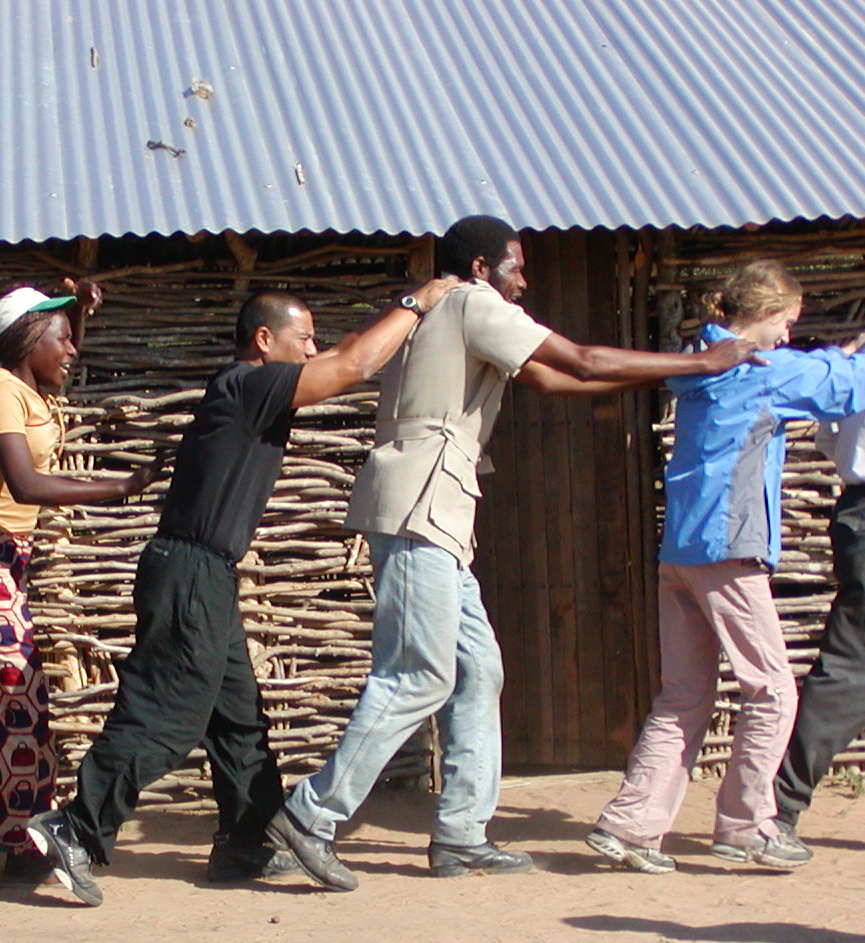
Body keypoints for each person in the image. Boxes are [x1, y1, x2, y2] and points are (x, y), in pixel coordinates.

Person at [270, 215, 760, 891]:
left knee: (478, 670)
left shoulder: (449, 310)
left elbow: (554, 381)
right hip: (418, 507)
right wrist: (704, 363)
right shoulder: (475, 304)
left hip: (435, 510)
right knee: (417, 675)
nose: (524, 280)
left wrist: (667, 379)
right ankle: (309, 815)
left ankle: (462, 833)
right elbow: (581, 360)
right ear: (480, 267)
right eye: (516, 265)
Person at [28, 277, 463, 906]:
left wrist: (392, 320)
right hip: (189, 573)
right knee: (167, 716)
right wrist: (416, 302)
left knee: (238, 719)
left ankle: (245, 841)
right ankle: (75, 827)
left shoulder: (253, 388)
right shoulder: (247, 384)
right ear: (264, 339)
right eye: (302, 338)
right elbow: (352, 364)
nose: (312, 350)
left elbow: (346, 351)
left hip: (205, 573)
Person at [589, 261, 865, 872]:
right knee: (773, 689)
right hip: (729, 551)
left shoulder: (701, 360)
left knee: (684, 696)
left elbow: (821, 373)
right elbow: (849, 386)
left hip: (682, 551)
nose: (788, 336)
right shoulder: (762, 371)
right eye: (786, 322)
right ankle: (747, 824)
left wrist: (837, 358)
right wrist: (851, 356)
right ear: (764, 314)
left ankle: (631, 825)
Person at [0, 281, 161, 881]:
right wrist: (120, 487)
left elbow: (55, 348)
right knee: (15, 703)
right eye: (62, 339)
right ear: (27, 340)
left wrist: (76, 312)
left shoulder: (27, 390)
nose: (72, 350)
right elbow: (25, 485)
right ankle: (22, 842)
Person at [771, 393, 865, 844]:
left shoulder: (856, 366)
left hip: (859, 511)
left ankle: (780, 807)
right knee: (851, 668)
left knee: (850, 667)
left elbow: (830, 436)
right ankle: (779, 806)